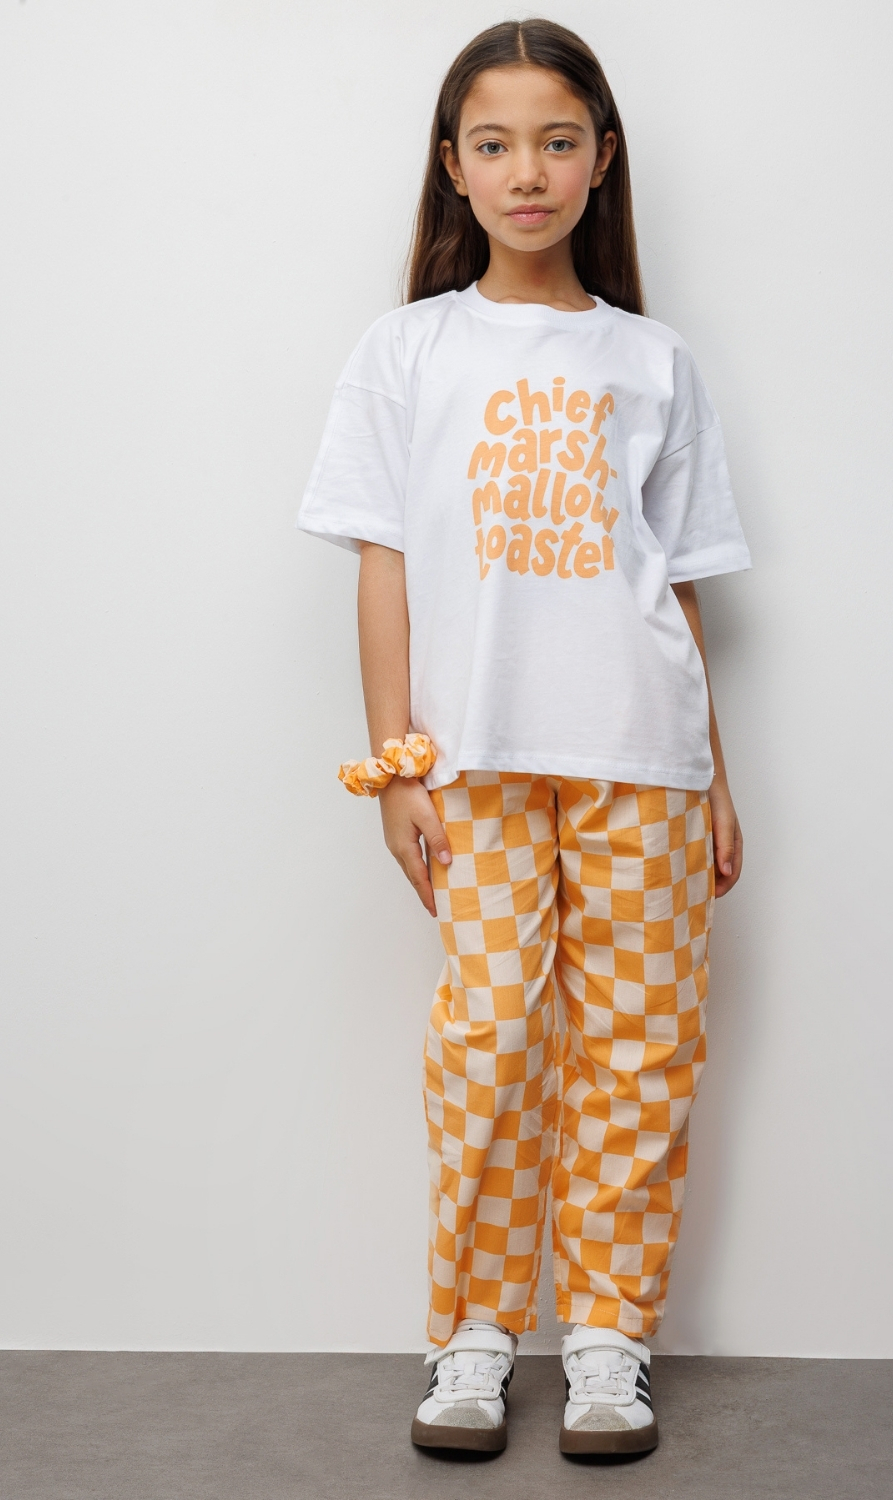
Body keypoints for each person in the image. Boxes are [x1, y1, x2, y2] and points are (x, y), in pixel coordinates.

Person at [298, 17, 750, 1460]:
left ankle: (609, 1337)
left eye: (558, 142)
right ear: (454, 165)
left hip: (644, 758)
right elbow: (381, 563)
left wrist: (716, 776)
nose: (528, 172)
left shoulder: (653, 360)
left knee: (641, 1048)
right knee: (488, 1040)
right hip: (475, 764)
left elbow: (675, 585)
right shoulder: (407, 350)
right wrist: (394, 766)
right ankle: (478, 1333)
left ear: (602, 159)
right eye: (494, 145)